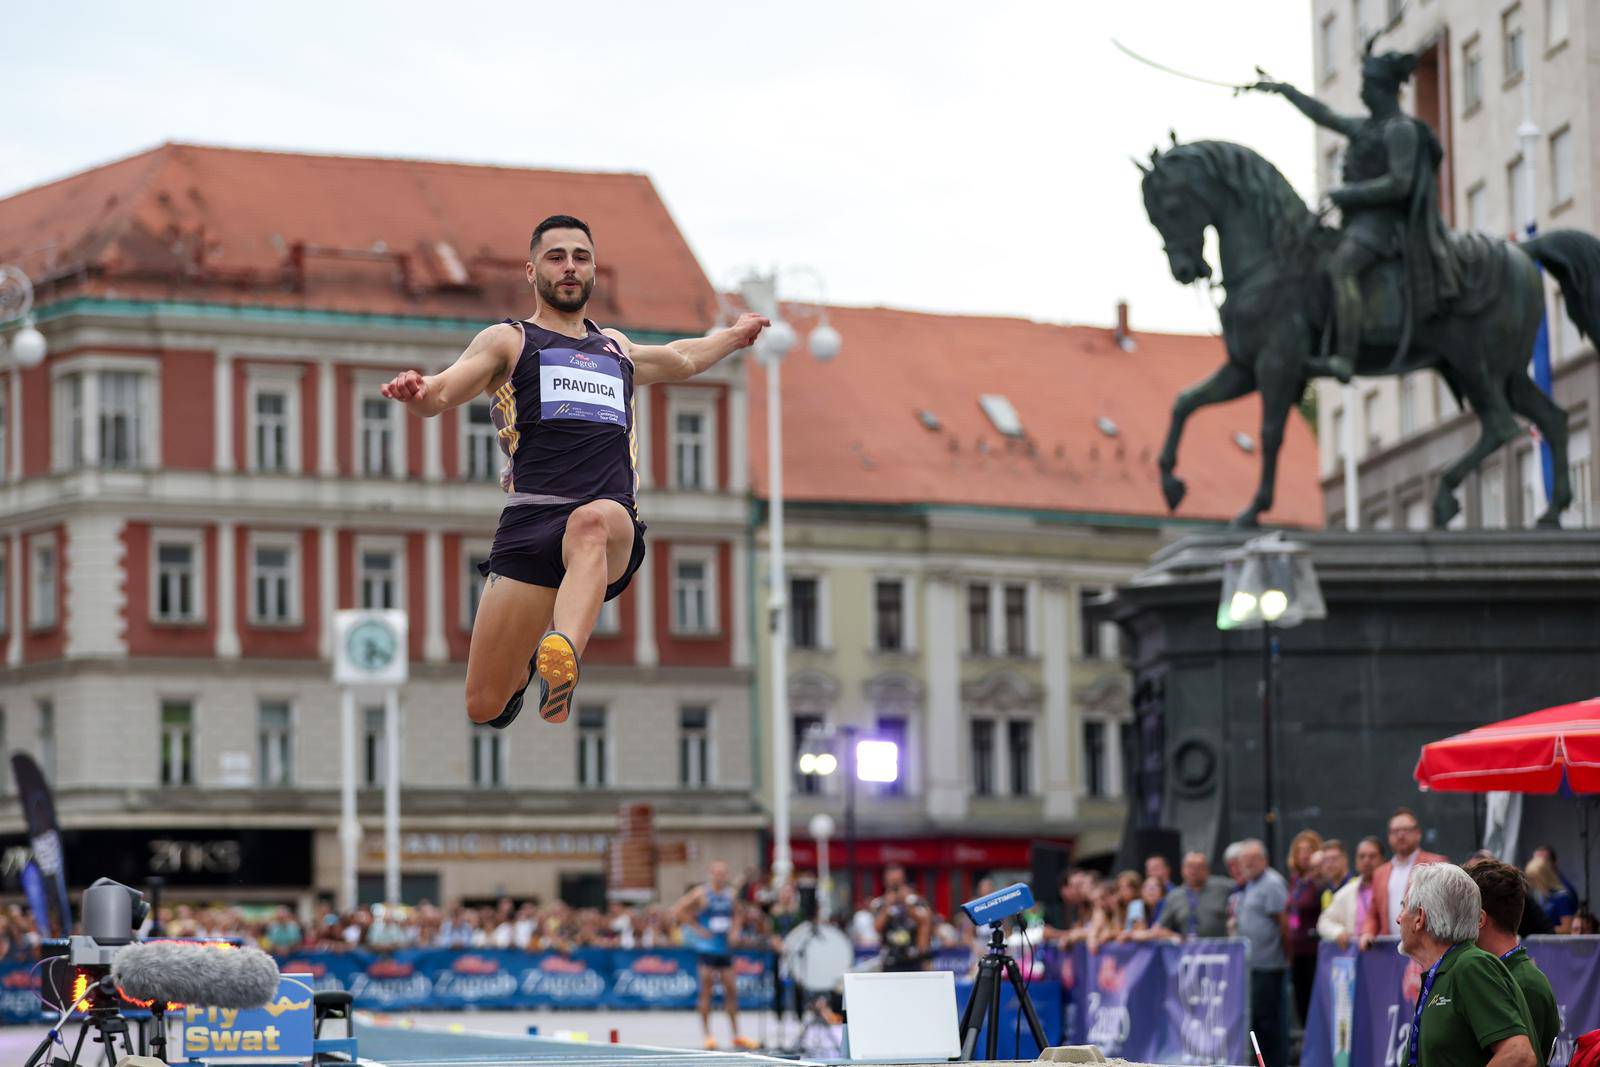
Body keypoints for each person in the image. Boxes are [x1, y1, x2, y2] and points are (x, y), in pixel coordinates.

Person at [382, 214, 768, 728]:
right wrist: (418, 391)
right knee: (484, 704)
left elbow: (681, 358)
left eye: (580, 257)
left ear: (593, 270)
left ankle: (561, 652)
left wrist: (735, 336)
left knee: (589, 523)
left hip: (608, 521)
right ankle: (522, 676)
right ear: (531, 270)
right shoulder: (508, 342)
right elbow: (444, 392)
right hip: (530, 523)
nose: (569, 267)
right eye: (556, 256)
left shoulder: (615, 348)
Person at [1252, 47, 1460, 382]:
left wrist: (1349, 193)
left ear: (1382, 89)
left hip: (1384, 226)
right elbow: (1324, 114)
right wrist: (1283, 90)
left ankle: (1345, 357)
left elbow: (1400, 183)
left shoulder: (1400, 130)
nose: (1362, 92)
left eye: (1366, 85)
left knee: (1341, 269)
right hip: (1358, 223)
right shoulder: (1367, 127)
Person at [1397, 863, 1536, 1067]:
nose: (1398, 919)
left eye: (1403, 907)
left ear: (1420, 918)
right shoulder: (1447, 970)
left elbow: (1519, 1055)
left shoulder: (1471, 966)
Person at [1468, 860, 1560, 1066]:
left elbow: (1522, 1059)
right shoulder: (1502, 974)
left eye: (1464, 910)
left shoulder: (1524, 982)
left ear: (1480, 919)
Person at [673, 861, 756, 1051]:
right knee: (706, 990)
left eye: (723, 873)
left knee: (731, 990)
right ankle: (708, 1035)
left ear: (726, 875)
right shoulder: (701, 893)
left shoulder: (730, 894)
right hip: (707, 949)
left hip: (725, 948)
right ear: (710, 874)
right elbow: (679, 909)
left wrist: (736, 930)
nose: (719, 876)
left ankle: (736, 1035)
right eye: (716, 873)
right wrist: (697, 929)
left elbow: (739, 914)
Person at [1235, 840, 1291, 1067]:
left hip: (1269, 965)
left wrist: (1288, 956)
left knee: (1268, 1023)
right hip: (1252, 966)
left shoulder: (1272, 883)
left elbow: (1284, 923)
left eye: (1253, 859)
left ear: (1264, 860)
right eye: (1244, 860)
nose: (1248, 864)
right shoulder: (1249, 884)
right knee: (1256, 1020)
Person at [1363, 807, 1448, 948]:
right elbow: (1373, 913)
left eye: (1406, 830)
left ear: (1418, 833)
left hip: (1425, 947)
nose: (1401, 835)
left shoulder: (1436, 864)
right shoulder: (1380, 872)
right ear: (1389, 836)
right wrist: (1367, 932)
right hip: (1390, 950)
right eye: (1395, 831)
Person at [1285, 828, 1326, 1025]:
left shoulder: (1320, 881)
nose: (1304, 854)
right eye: (1299, 850)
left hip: (1314, 950)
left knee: (1313, 1000)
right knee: (1300, 1001)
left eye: (1309, 849)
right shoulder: (1295, 881)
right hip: (1297, 950)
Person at [1319, 837, 1382, 948]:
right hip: (1357, 955)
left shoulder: (1392, 886)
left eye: (1372, 856)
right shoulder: (1346, 892)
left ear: (1382, 859)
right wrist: (1337, 932)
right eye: (1362, 857)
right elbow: (1324, 922)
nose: (1366, 860)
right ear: (1356, 861)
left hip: (1388, 954)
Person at [1158, 850, 1235, 940]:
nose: (1194, 871)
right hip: (1190, 951)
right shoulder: (1174, 896)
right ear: (1182, 869)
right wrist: (1175, 937)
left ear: (1207, 870)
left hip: (1220, 949)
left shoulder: (1224, 887)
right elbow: (1160, 928)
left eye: (1199, 867)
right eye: (1190, 866)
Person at [872, 865, 932, 971]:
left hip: (914, 959)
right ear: (885, 882)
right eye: (892, 882)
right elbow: (877, 927)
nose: (895, 886)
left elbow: (925, 922)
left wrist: (908, 905)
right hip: (889, 960)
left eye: (898, 881)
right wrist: (887, 905)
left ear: (904, 880)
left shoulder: (916, 901)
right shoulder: (879, 903)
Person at [1524, 854, 1577, 934]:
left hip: (1559, 944)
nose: (1531, 883)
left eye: (1533, 879)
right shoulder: (1541, 896)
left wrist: (1542, 930)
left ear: (1541, 878)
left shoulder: (1561, 897)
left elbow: (1568, 928)